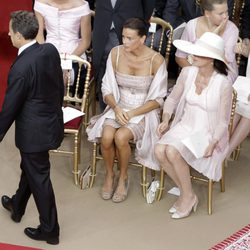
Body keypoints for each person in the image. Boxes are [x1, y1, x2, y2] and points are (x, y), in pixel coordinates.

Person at [87, 18, 168, 203]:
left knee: (120, 137)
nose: (125, 42)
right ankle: (110, 175)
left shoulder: (156, 60)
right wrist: (116, 108)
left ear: (143, 38)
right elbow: (106, 88)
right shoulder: (115, 54)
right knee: (106, 137)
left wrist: (132, 114)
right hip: (118, 106)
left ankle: (123, 176)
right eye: (123, 37)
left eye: (130, 38)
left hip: (143, 111)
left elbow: (157, 100)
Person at [0, 11, 64, 244]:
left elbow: (10, 108)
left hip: (33, 133)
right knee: (32, 168)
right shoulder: (49, 50)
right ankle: (17, 205)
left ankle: (50, 229)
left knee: (39, 178)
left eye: (10, 31)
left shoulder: (20, 68)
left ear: (18, 36)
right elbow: (59, 86)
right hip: (50, 123)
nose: (7, 33)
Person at [155, 32, 233, 219]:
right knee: (159, 150)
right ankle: (187, 193)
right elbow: (172, 99)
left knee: (172, 151)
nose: (193, 56)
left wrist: (213, 142)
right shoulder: (188, 72)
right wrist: (166, 119)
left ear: (212, 59)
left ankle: (187, 197)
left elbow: (223, 121)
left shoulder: (223, 84)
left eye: (199, 54)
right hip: (185, 125)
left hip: (207, 133)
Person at [92, 0, 155, 111]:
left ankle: (128, 113)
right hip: (102, 25)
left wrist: (140, 23)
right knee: (102, 73)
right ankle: (105, 113)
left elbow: (148, 5)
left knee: (126, 72)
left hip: (129, 26)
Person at [34, 0, 91, 97]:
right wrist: (46, 57)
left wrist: (66, 62)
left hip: (75, 54)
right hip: (48, 53)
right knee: (37, 72)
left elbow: (86, 42)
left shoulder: (82, 6)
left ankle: (67, 108)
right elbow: (39, 36)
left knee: (70, 75)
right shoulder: (40, 3)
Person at [175, 0, 238, 84]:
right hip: (194, 71)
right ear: (207, 13)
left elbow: (225, 62)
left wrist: (216, 35)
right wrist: (195, 74)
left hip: (223, 74)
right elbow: (180, 57)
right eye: (220, 13)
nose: (225, 17)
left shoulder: (232, 29)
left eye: (226, 12)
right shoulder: (192, 25)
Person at [227, 41, 250, 156]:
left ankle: (226, 152)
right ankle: (222, 146)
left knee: (248, 109)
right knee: (235, 103)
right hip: (247, 84)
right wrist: (242, 49)